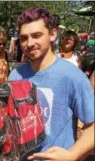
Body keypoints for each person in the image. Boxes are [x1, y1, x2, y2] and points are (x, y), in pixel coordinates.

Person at [9, 7, 94, 161]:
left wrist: (73, 155)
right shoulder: (15, 76)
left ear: (53, 34)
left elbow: (92, 126)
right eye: (23, 38)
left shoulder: (73, 76)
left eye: (36, 36)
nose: (29, 43)